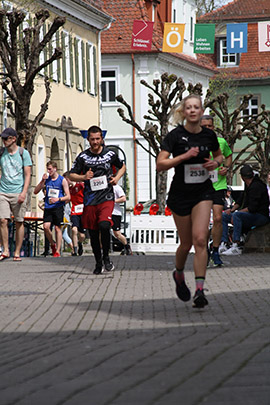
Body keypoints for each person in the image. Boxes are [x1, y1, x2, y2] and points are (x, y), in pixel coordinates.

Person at [156, 94, 222, 308]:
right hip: (180, 195)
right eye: (189, 108)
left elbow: (219, 156)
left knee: (200, 239)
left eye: (197, 107)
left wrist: (215, 162)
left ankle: (200, 291)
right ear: (184, 112)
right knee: (186, 244)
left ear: (201, 111)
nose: (193, 111)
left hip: (203, 193)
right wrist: (183, 157)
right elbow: (160, 164)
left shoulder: (208, 136)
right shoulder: (175, 136)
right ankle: (179, 274)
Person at [69, 125, 126, 274]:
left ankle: (106, 257)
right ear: (88, 139)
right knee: (93, 232)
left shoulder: (109, 154)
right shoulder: (83, 157)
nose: (95, 142)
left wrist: (117, 178)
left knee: (105, 225)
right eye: (92, 139)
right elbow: (71, 175)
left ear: (102, 139)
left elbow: (122, 167)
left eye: (97, 139)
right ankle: (98, 262)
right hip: (90, 199)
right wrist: (83, 177)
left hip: (106, 197)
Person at [200, 115, 232, 267]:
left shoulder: (221, 142)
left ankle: (215, 250)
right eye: (204, 126)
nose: (207, 129)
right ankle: (204, 252)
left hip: (218, 186)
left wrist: (226, 167)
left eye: (210, 126)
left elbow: (229, 155)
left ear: (213, 127)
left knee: (218, 219)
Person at [221, 164, 270, 255]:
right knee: (224, 216)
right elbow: (240, 200)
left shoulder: (257, 186)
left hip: (260, 216)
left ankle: (236, 245)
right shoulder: (248, 185)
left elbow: (252, 208)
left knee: (237, 215)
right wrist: (231, 210)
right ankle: (224, 243)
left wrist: (236, 213)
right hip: (250, 214)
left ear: (243, 177)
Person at [0, 128, 32, 261]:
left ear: (13, 139)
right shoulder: (1, 152)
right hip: (3, 191)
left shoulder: (23, 153)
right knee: (2, 220)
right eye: (2, 138)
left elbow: (28, 174)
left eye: (6, 138)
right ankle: (6, 250)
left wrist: (24, 192)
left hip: (18, 191)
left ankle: (17, 252)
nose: (3, 141)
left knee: (19, 221)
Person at [34, 161, 70, 257]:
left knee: (58, 229)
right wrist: (42, 181)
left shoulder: (62, 180)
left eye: (50, 169)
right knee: (46, 227)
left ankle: (57, 251)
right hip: (48, 207)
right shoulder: (47, 180)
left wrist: (58, 199)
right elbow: (35, 191)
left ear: (55, 169)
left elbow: (68, 196)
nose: (48, 171)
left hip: (58, 207)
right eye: (47, 169)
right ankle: (52, 244)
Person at [64, 174, 85, 256]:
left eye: (66, 180)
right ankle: (75, 250)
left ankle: (80, 244)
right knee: (74, 230)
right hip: (74, 211)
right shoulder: (68, 189)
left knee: (82, 235)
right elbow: (67, 199)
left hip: (83, 211)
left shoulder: (80, 185)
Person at [112, 184, 132, 255]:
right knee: (101, 231)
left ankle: (127, 246)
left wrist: (113, 201)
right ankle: (103, 250)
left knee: (117, 233)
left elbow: (123, 198)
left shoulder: (117, 187)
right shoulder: (104, 187)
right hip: (105, 212)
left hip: (115, 213)